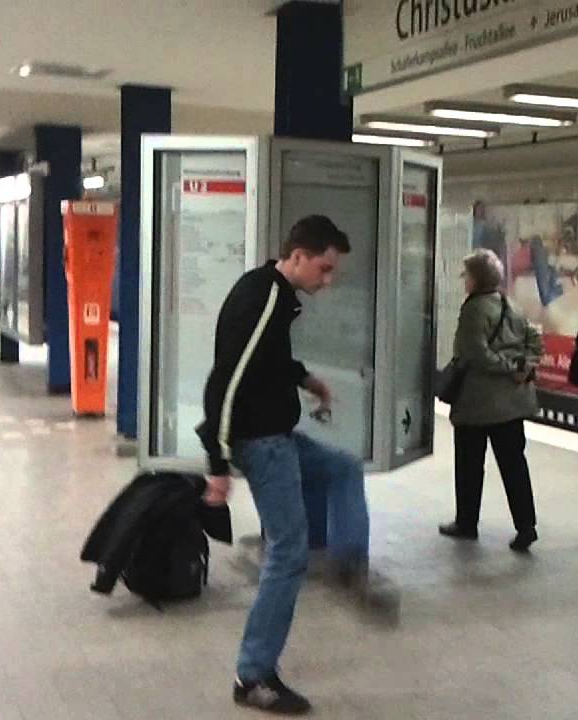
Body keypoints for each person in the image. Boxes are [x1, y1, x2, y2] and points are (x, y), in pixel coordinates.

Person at [197, 215, 396, 716]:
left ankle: (349, 563)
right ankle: (254, 675)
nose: (327, 281)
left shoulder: (273, 294)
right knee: (288, 553)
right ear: (299, 256)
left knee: (343, 468)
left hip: (277, 434)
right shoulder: (263, 299)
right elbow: (225, 381)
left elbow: (263, 362)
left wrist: (305, 379)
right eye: (324, 269)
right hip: (261, 443)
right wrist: (217, 461)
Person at [439, 249, 544, 552]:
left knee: (470, 465)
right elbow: (535, 340)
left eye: (466, 275)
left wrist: (509, 368)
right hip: (513, 404)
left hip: (478, 403)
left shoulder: (473, 309)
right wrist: (524, 367)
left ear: (475, 278)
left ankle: (466, 523)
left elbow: (474, 353)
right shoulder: (510, 303)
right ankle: (526, 526)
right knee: (514, 466)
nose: (464, 280)